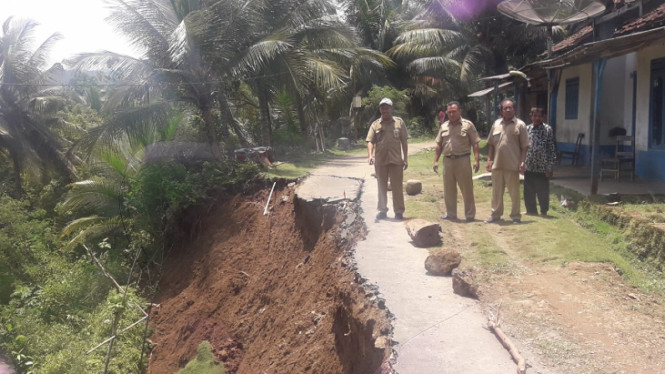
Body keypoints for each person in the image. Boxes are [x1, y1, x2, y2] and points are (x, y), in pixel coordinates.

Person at [432, 101, 481, 222]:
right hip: (448, 161)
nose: (452, 114)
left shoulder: (468, 125)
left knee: (467, 189)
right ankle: (451, 214)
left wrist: (476, 160)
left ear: (460, 111)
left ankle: (470, 215)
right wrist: (436, 161)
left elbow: (475, 143)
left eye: (454, 111)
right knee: (449, 189)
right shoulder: (444, 126)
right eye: (449, 112)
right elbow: (439, 144)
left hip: (463, 160)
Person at [485, 99, 530, 224]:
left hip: (512, 165)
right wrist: (489, 160)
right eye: (506, 108)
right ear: (501, 111)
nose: (508, 110)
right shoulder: (496, 124)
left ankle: (516, 216)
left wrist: (522, 162)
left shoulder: (520, 125)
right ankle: (495, 215)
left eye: (510, 107)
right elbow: (491, 145)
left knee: (514, 193)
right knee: (496, 193)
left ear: (514, 109)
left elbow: (525, 146)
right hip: (497, 164)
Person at [366, 97, 409, 220]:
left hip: (396, 160)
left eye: (387, 107)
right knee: (381, 186)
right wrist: (370, 155)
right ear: (380, 110)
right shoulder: (375, 125)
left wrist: (405, 158)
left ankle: (399, 211)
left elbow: (404, 141)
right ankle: (382, 210)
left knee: (397, 186)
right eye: (382, 108)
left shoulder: (399, 123)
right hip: (381, 161)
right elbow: (370, 141)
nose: (385, 110)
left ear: (392, 109)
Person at [524, 107, 557, 216]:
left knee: (543, 191)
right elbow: (523, 147)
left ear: (543, 117)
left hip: (543, 167)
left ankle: (544, 211)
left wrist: (550, 167)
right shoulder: (527, 129)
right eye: (534, 115)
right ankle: (531, 210)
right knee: (529, 191)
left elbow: (551, 149)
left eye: (539, 116)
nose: (537, 118)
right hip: (529, 165)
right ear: (531, 117)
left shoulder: (548, 129)